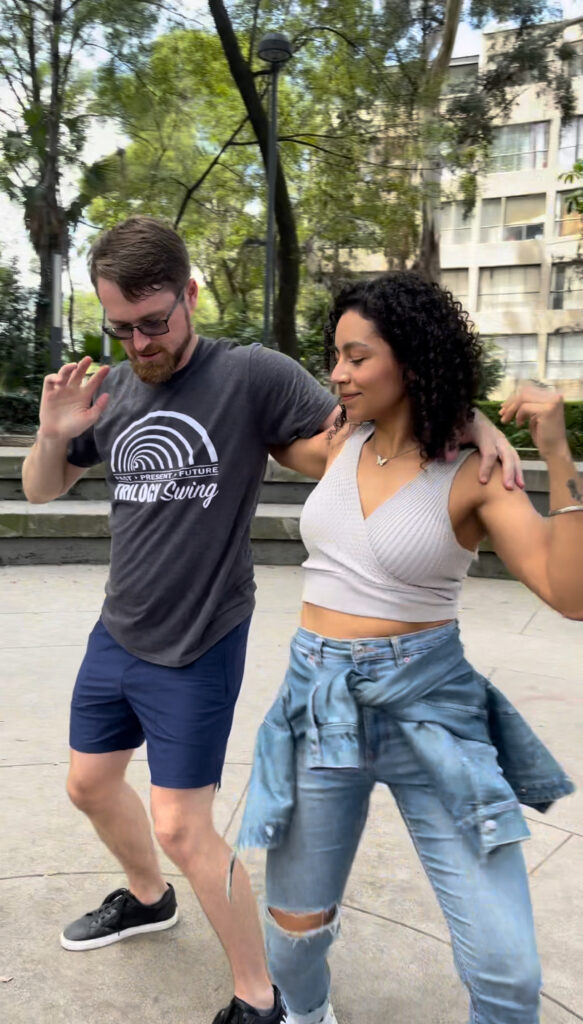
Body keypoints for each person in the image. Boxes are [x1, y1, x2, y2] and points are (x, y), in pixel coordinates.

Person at [22, 217, 519, 1024]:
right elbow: (43, 489)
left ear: (189, 295)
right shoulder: (108, 391)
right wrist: (52, 435)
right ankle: (149, 899)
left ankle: (262, 998)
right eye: (122, 327)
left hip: (198, 639)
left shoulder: (248, 374)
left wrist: (465, 422)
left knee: (183, 826)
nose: (141, 343)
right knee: (88, 783)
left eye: (154, 321)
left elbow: (358, 434)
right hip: (117, 629)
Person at [236, 271, 582, 1024]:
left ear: (412, 361)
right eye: (335, 357)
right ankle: (308, 1016)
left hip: (430, 708)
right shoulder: (338, 437)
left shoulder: (473, 475)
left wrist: (554, 454)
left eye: (356, 358)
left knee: (508, 972)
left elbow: (570, 594)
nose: (337, 373)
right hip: (318, 704)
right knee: (292, 941)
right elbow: (253, 417)